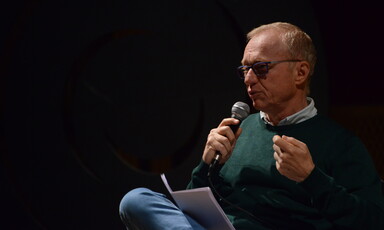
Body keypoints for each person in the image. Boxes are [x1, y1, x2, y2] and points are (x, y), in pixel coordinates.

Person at [119, 22, 384, 229]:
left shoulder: (340, 143)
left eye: (260, 68)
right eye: (244, 70)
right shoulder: (240, 129)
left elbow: (372, 221)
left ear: (300, 73)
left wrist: (312, 179)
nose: (249, 80)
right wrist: (206, 165)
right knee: (136, 199)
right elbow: (188, 214)